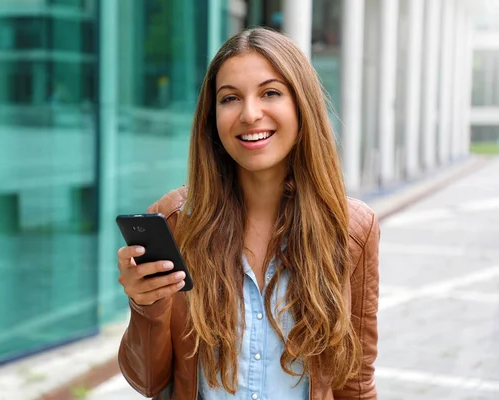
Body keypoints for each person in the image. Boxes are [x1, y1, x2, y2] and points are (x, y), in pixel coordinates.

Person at [116, 27, 380, 400]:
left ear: (301, 106)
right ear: (213, 117)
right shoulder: (176, 221)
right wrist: (145, 306)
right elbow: (149, 382)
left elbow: (355, 384)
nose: (250, 114)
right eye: (230, 98)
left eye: (270, 93)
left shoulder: (352, 230)